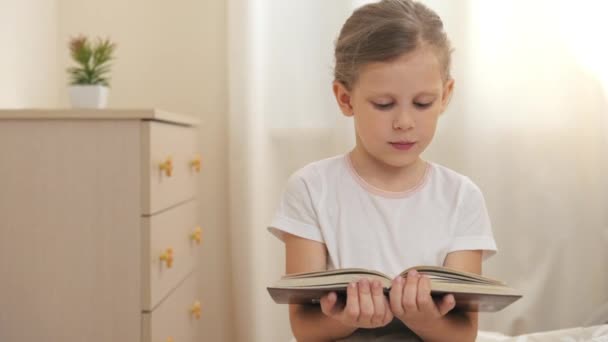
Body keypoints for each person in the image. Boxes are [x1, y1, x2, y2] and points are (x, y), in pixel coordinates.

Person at [267, 0, 497, 340]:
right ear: (345, 99)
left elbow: (463, 334)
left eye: (423, 103)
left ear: (446, 95)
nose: (404, 122)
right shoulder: (311, 188)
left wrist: (423, 319)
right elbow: (305, 328)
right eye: (384, 104)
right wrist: (351, 317)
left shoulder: (462, 196)